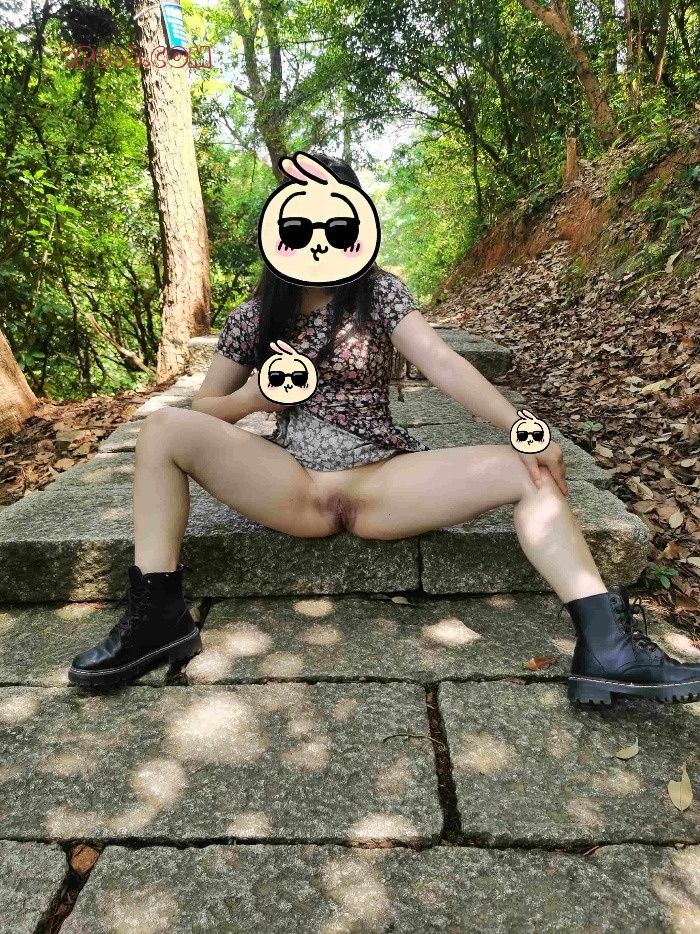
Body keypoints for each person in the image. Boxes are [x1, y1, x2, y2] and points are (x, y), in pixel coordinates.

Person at [68, 153, 700, 705]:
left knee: (526, 471)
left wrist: (524, 427)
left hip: (381, 480)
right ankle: (158, 618)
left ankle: (607, 646)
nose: (321, 238)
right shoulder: (254, 317)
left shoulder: (380, 296)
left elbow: (443, 363)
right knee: (162, 429)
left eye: (338, 222)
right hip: (291, 484)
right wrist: (253, 397)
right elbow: (201, 412)